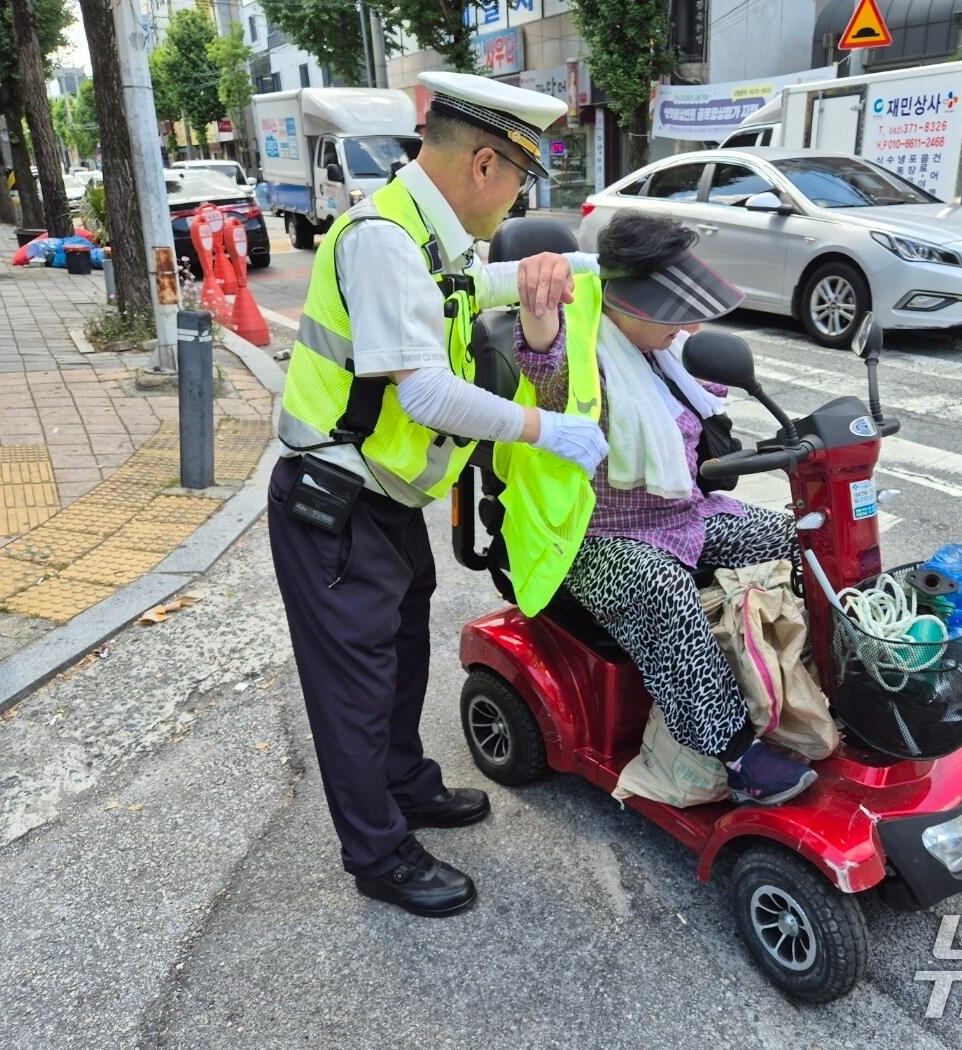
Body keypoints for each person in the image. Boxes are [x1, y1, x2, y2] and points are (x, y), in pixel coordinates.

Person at [268, 71, 609, 919]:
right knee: (353, 683)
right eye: (521, 182)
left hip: (381, 503)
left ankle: (405, 783)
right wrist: (545, 431)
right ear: (486, 164)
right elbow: (423, 393)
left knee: (400, 655)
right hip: (333, 503)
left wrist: (580, 266)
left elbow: (469, 292)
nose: (518, 199)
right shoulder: (384, 237)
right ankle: (378, 853)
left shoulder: (432, 229)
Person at [511, 210, 817, 806]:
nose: (688, 324)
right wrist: (537, 305)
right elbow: (542, 363)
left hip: (685, 517)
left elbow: (708, 405)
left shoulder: (665, 352)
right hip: (591, 537)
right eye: (674, 311)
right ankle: (733, 750)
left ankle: (805, 684)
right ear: (631, 304)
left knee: (800, 539)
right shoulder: (576, 347)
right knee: (660, 587)